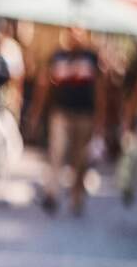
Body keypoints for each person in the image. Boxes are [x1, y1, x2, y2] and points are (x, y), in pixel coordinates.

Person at [28, 26, 106, 216]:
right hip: (61, 113)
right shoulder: (58, 57)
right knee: (56, 153)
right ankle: (52, 193)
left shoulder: (91, 58)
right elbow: (44, 85)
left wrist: (100, 119)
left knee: (80, 159)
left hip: (84, 115)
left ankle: (77, 194)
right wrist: (36, 113)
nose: (75, 38)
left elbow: (100, 89)